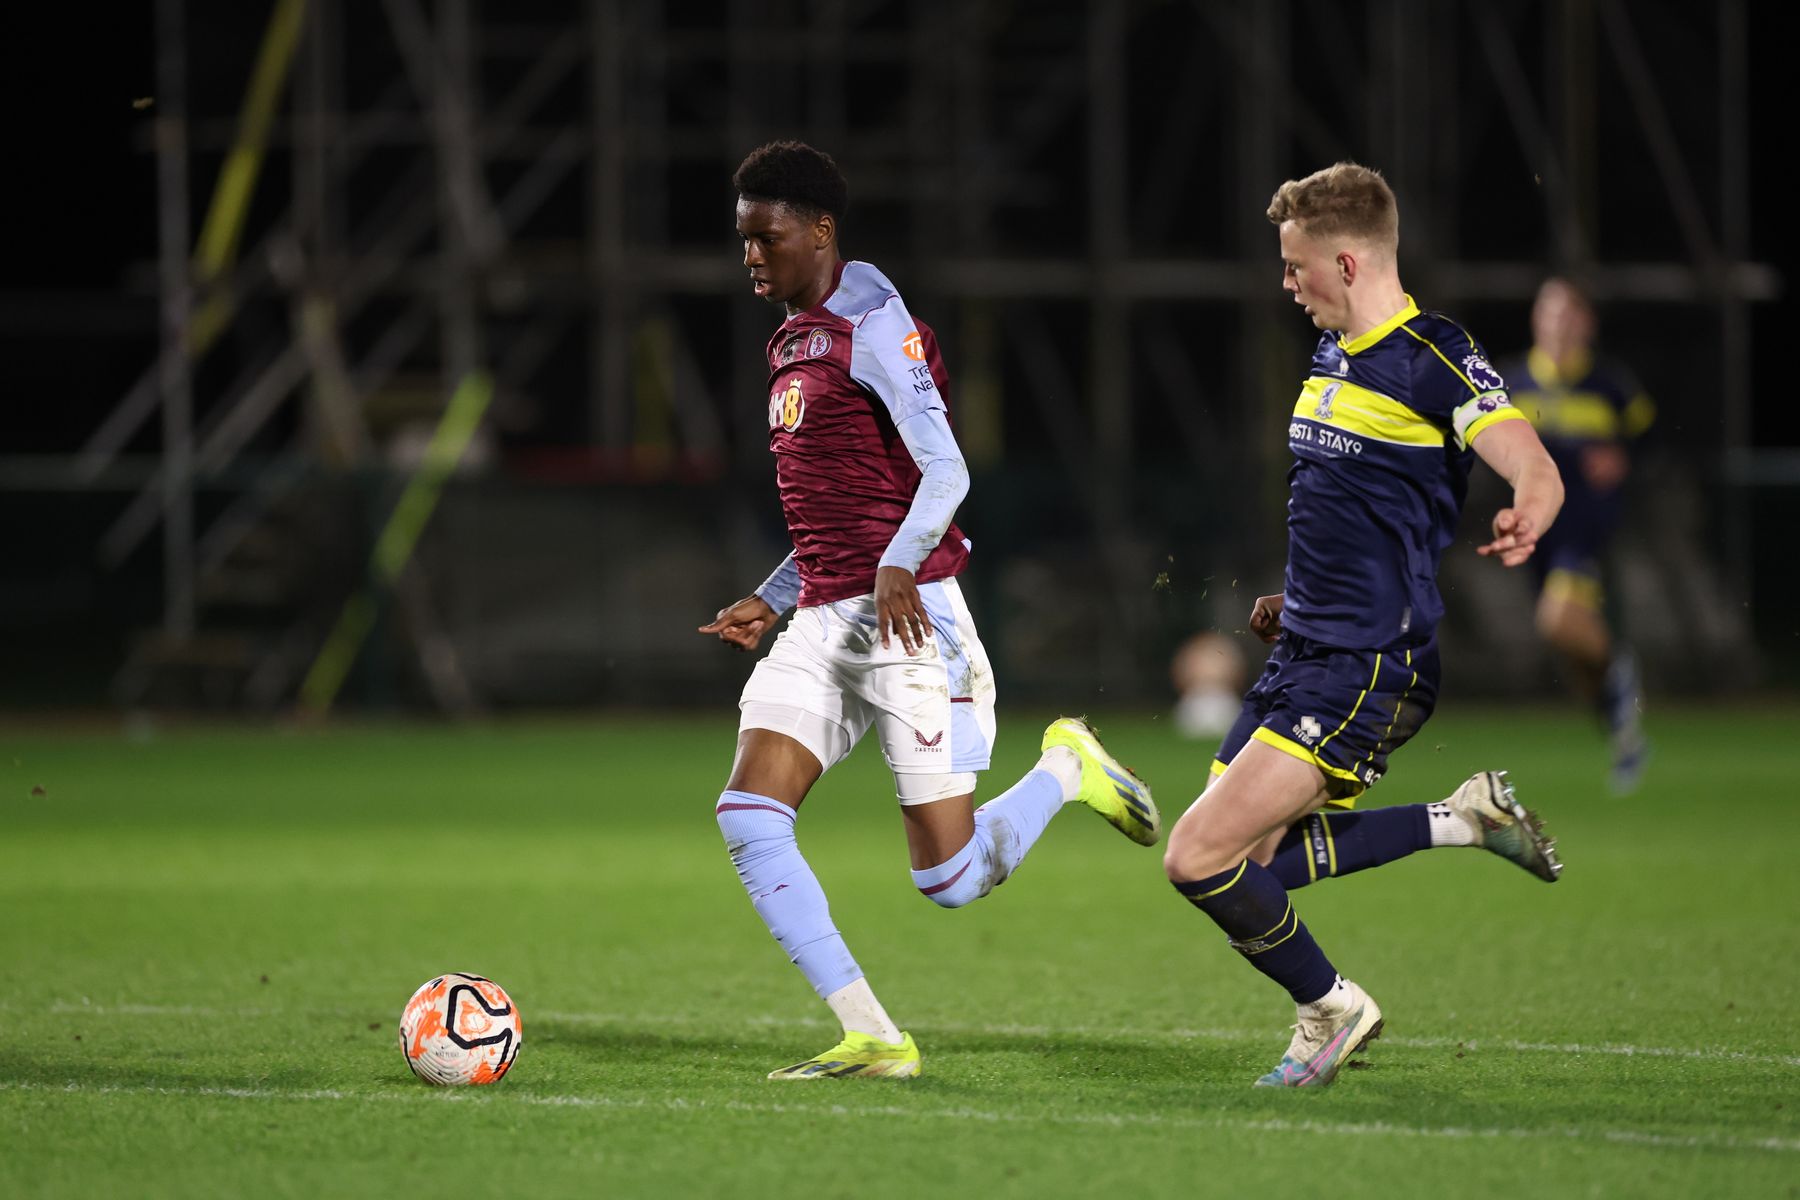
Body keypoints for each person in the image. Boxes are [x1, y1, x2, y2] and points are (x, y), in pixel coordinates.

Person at [699, 140, 1160, 1081]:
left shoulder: (876, 325)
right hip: (829, 618)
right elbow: (845, 507)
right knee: (749, 814)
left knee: (948, 880)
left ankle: (1066, 769)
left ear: (820, 231)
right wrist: (773, 594)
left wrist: (900, 566)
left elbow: (947, 469)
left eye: (767, 237)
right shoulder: (793, 333)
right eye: (743, 239)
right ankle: (874, 1035)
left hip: (909, 621)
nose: (751, 255)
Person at [1160, 162, 1568, 1089]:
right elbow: (1347, 507)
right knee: (1255, 859)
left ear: (1346, 262)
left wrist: (1531, 506)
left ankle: (1331, 1009)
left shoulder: (1433, 354)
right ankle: (1462, 821)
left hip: (1369, 664)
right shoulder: (1332, 354)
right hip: (1307, 645)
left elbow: (1529, 458)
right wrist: (1293, 591)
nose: (1287, 283)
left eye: (1296, 265)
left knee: (1198, 855)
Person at [1499, 278, 1655, 793]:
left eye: (1568, 314)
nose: (1558, 324)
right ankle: (1621, 731)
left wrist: (1624, 460)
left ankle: (1623, 673)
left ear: (1586, 323)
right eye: (1549, 313)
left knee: (1557, 621)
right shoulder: (1513, 383)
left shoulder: (1611, 386)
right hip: (1533, 534)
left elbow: (1649, 441)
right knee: (1577, 660)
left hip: (1584, 532)